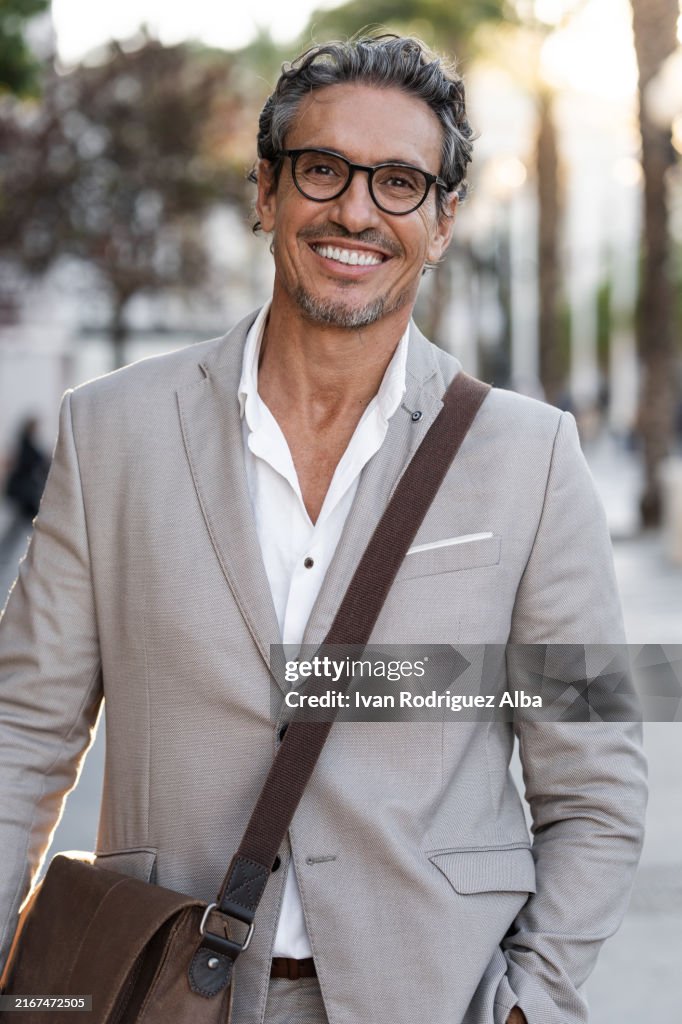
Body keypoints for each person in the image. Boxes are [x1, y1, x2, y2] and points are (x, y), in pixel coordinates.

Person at [0, 34, 646, 1024]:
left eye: (398, 182)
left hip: (429, 998)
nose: (355, 209)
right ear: (265, 191)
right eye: (322, 169)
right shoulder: (110, 431)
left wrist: (535, 1002)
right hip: (164, 988)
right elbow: (25, 733)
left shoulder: (530, 457)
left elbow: (593, 776)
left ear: (442, 223)